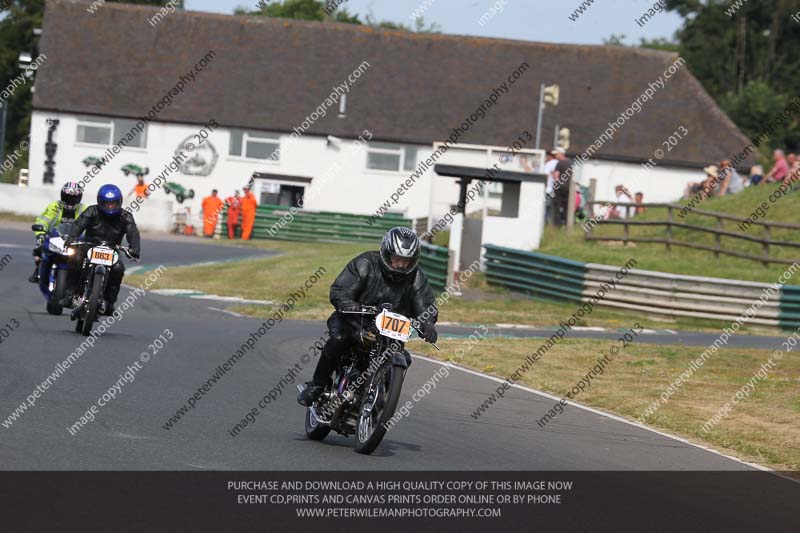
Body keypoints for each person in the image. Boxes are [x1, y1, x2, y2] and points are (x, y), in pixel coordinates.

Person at [297, 227, 439, 406]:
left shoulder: (417, 277)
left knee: (403, 357)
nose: (401, 265)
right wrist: (348, 303)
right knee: (340, 339)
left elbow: (425, 304)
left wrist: (427, 323)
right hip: (353, 320)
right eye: (397, 259)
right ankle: (318, 385)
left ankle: (379, 397)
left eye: (406, 261)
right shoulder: (365, 263)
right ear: (386, 254)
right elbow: (341, 290)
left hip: (388, 331)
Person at [67, 184, 141, 316]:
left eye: (113, 204)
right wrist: (72, 238)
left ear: (119, 202)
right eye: (107, 203)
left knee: (118, 269)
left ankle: (109, 303)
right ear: (100, 202)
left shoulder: (126, 216)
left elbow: (133, 232)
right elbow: (79, 224)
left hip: (112, 249)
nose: (110, 206)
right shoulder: (91, 211)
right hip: (90, 246)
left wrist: (134, 248)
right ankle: (69, 293)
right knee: (75, 258)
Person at [29, 182, 87, 283]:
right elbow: (43, 220)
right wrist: (40, 234)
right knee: (39, 248)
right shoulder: (54, 206)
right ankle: (38, 270)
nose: (70, 201)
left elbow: (90, 224)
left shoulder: (84, 209)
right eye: (67, 197)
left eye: (73, 198)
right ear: (62, 196)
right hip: (54, 237)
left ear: (79, 198)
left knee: (87, 257)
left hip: (75, 240)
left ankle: (83, 278)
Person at [551, 148, 572, 227]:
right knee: (566, 207)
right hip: (568, 187)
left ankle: (557, 225)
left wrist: (552, 175)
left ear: (561, 154)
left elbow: (556, 176)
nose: (555, 155)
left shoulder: (559, 163)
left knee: (556, 206)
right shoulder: (569, 162)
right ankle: (567, 224)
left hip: (559, 187)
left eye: (556, 154)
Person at [543, 150, 558, 224]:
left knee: (545, 206)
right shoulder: (559, 163)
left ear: (549, 156)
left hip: (548, 189)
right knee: (553, 207)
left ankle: (545, 222)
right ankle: (551, 223)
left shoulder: (548, 164)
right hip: (555, 190)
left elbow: (546, 176)